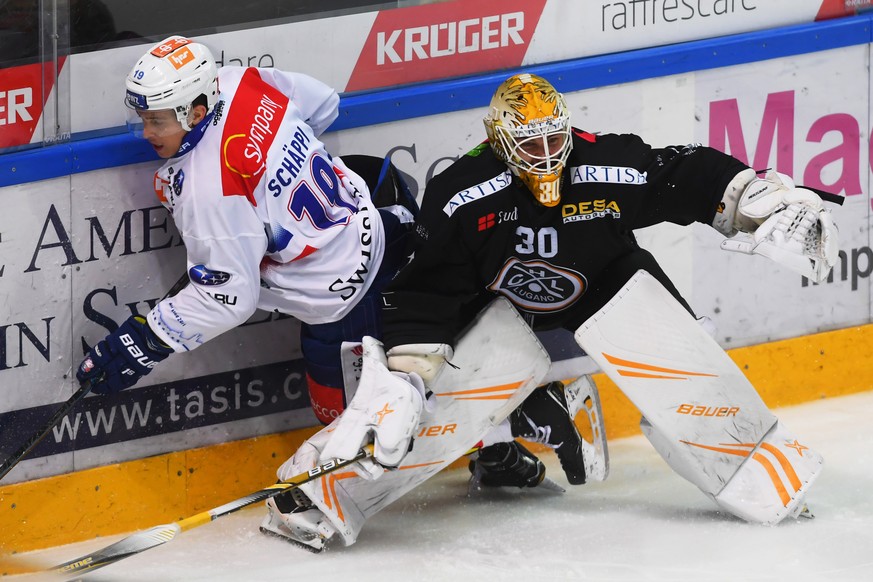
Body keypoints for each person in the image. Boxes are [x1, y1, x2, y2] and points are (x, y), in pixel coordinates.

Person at [268, 73, 840, 551]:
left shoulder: (604, 162)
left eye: (553, 140)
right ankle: (320, 493)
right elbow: (428, 292)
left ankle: (756, 469)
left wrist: (751, 196)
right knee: (411, 411)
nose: (545, 155)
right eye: (529, 144)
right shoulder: (462, 192)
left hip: (605, 283)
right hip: (499, 304)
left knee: (688, 360)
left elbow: (681, 173)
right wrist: (406, 380)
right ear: (498, 140)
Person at [74, 35, 422, 434]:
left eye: (158, 120)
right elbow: (324, 102)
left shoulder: (206, 190)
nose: (148, 131)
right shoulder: (239, 82)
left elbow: (229, 299)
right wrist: (276, 172)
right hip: (384, 228)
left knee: (349, 433)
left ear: (196, 110)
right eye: (144, 117)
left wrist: (149, 338)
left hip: (338, 303)